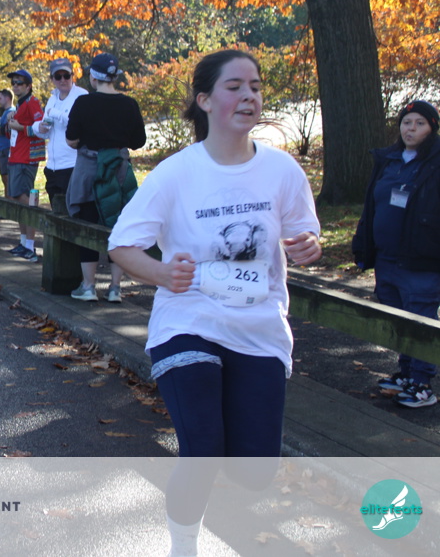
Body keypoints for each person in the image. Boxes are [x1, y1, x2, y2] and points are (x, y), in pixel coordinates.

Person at [107, 49, 321, 557]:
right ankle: (184, 545)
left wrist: (308, 246)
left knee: (254, 472)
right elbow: (122, 244)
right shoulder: (176, 173)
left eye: (256, 87)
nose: (249, 96)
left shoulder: (281, 169)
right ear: (204, 100)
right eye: (235, 87)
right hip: (189, 319)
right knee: (203, 448)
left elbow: (303, 233)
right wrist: (162, 273)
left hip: (259, 328)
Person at [353, 100, 440, 408]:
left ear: (432, 129)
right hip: (387, 257)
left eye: (419, 123)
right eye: (406, 122)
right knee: (398, 318)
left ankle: (422, 383)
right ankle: (406, 373)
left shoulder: (435, 163)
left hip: (421, 261)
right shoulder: (388, 160)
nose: (411, 129)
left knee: (420, 319)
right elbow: (372, 204)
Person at [65, 53, 146, 303]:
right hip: (118, 171)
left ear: (93, 77)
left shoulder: (83, 103)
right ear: (115, 77)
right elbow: (138, 141)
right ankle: (115, 288)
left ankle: (89, 286)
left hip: (90, 171)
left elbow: (71, 140)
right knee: (118, 226)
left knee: (87, 225)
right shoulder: (129, 104)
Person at [5, 69, 46, 262]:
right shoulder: (20, 105)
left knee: (24, 198)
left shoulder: (32, 102)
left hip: (26, 158)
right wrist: (10, 124)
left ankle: (31, 246)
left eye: (19, 83)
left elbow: (42, 128)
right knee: (15, 197)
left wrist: (19, 127)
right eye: (13, 83)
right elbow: (12, 133)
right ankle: (23, 243)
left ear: (28, 86)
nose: (15, 86)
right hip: (15, 156)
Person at [35, 57, 88, 201]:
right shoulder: (52, 98)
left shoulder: (82, 96)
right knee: (56, 208)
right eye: (58, 77)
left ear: (72, 76)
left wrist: (56, 113)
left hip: (73, 165)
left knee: (72, 209)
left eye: (66, 75)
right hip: (52, 166)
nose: (63, 80)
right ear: (52, 79)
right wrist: (39, 127)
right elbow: (46, 131)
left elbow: (78, 125)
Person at [0, 89, 15, 197]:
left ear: (7, 98)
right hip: (2, 148)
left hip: (6, 148)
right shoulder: (5, 112)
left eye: (0, 98)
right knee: (4, 178)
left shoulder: (11, 112)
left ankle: (9, 202)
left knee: (7, 178)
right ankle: (7, 200)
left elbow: (4, 130)